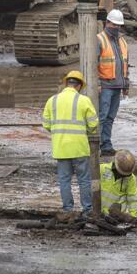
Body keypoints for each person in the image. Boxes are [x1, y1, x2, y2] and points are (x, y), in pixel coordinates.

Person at [41, 70, 98, 216]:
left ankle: (68, 210)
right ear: (79, 86)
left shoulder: (52, 100)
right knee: (84, 180)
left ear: (67, 83)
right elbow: (93, 124)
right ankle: (87, 210)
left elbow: (46, 124)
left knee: (64, 180)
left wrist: (58, 131)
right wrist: (86, 130)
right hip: (79, 147)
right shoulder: (84, 100)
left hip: (61, 148)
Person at [97, 9, 130, 157]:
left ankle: (106, 145)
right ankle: (98, 144)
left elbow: (125, 64)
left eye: (118, 25)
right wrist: (97, 83)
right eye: (113, 24)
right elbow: (93, 64)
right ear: (107, 22)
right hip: (105, 85)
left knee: (110, 117)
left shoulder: (122, 41)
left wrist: (125, 84)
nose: (116, 27)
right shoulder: (100, 39)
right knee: (102, 117)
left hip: (117, 85)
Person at [100, 149, 137, 221]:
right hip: (101, 212)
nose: (124, 176)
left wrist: (133, 216)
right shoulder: (102, 169)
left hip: (118, 216)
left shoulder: (131, 179)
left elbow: (132, 198)